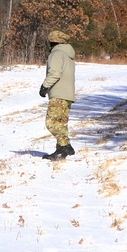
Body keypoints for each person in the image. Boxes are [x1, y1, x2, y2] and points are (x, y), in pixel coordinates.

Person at [39, 29, 76, 160]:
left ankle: (66, 146)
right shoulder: (68, 54)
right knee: (61, 124)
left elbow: (55, 73)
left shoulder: (56, 54)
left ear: (53, 42)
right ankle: (61, 151)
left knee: (51, 123)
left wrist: (45, 86)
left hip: (58, 94)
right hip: (68, 95)